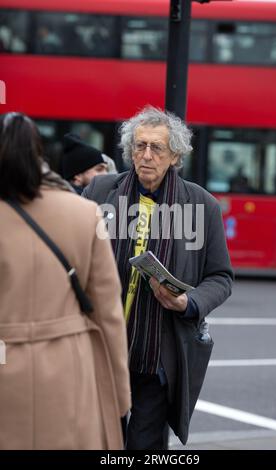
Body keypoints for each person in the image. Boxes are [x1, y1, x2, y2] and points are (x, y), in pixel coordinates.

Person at [83, 106, 233, 450]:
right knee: (102, 442)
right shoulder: (99, 193)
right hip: (103, 351)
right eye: (139, 146)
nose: (146, 155)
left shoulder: (202, 205)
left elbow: (220, 277)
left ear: (175, 156)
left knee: (143, 446)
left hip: (157, 358)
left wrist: (188, 302)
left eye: (156, 148)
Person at [0, 112, 131, 450]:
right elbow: (108, 313)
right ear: (40, 154)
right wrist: (119, 398)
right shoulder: (85, 213)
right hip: (67, 364)